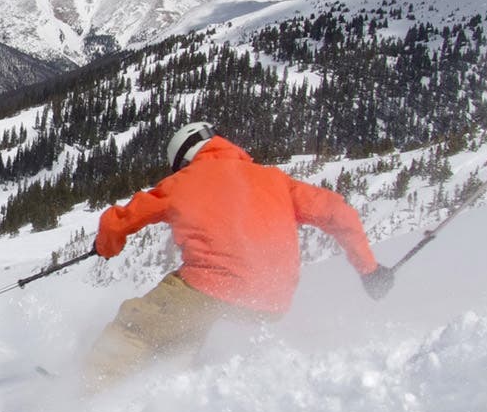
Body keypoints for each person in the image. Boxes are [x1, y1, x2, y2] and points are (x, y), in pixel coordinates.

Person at [86, 122, 393, 388]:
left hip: (208, 287)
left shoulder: (184, 181)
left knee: (134, 327)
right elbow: (339, 214)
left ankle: (88, 397)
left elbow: (118, 221)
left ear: (185, 158)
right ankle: (164, 389)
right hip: (270, 303)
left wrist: (106, 246)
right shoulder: (275, 179)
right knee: (184, 333)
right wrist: (369, 269)